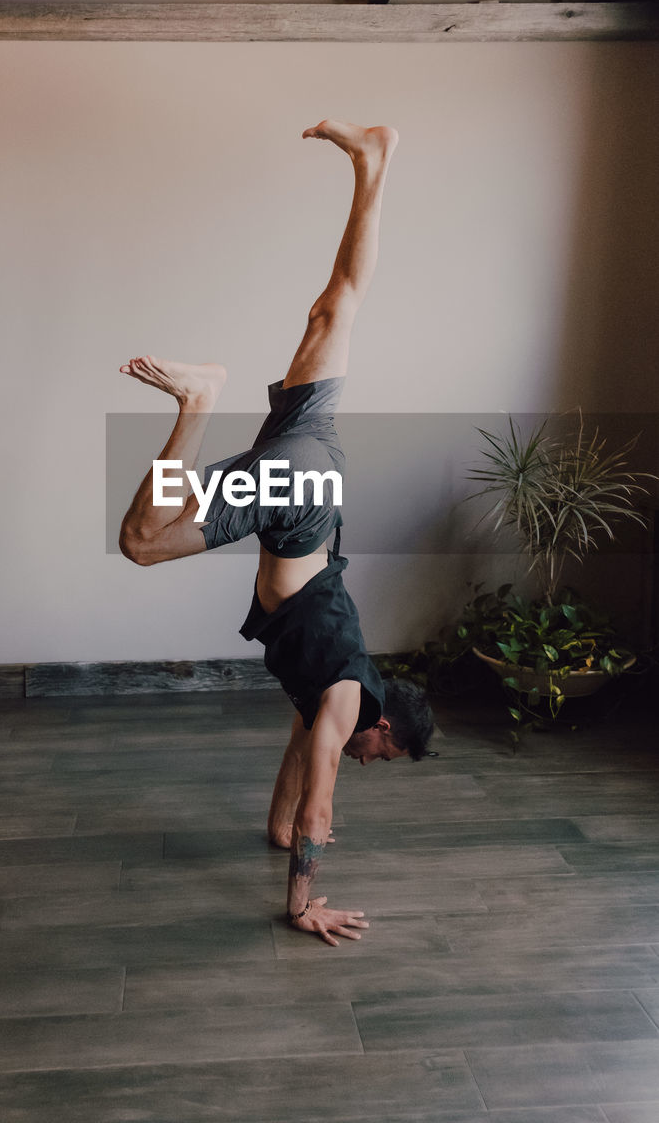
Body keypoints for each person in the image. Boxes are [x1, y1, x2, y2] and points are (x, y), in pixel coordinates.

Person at [119, 120, 434, 946]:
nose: (370, 764)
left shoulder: (332, 689)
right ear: (384, 728)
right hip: (295, 497)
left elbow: (295, 782)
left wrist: (278, 829)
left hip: (313, 474)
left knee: (337, 307)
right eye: (384, 757)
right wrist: (304, 905)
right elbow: (321, 800)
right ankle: (196, 401)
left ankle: (374, 160)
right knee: (143, 541)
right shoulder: (339, 702)